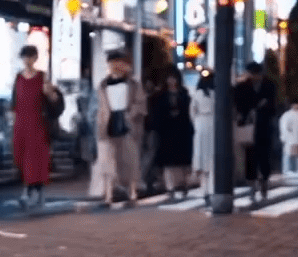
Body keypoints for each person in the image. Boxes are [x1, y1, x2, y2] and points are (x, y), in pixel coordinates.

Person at [91, 51, 145, 204]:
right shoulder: (103, 84)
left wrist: (132, 113)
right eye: (112, 63)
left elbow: (141, 104)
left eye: (119, 62)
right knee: (107, 160)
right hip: (108, 123)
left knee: (130, 159)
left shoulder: (133, 84)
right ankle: (108, 193)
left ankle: (132, 191)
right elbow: (99, 107)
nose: (116, 66)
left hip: (128, 122)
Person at [10, 45, 57, 208]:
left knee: (37, 159)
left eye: (30, 57)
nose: (27, 60)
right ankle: (32, 191)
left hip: (37, 123)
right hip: (21, 124)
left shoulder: (42, 77)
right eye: (24, 57)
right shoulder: (18, 78)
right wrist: (12, 120)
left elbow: (52, 100)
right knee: (21, 157)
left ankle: (32, 192)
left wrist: (50, 92)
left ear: (36, 58)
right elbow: (14, 101)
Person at [232, 62, 278, 200]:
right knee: (250, 156)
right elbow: (238, 104)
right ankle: (252, 183)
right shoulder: (241, 87)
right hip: (249, 126)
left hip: (264, 125)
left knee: (264, 155)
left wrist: (265, 106)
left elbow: (274, 105)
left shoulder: (269, 85)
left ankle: (263, 180)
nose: (252, 76)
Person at [147, 71, 195, 199]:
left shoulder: (184, 94)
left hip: (182, 130)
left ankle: (183, 184)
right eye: (169, 78)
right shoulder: (160, 96)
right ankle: (170, 187)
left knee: (183, 162)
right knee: (168, 162)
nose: (171, 81)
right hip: (166, 131)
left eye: (173, 78)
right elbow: (156, 114)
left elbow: (189, 111)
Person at [189, 71, 216, 192]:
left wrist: (196, 123)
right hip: (212, 122)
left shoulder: (197, 94)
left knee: (200, 150)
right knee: (211, 150)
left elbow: (192, 112)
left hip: (200, 122)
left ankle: (203, 183)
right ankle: (211, 181)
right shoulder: (215, 94)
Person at [278, 101, 298, 177]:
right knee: (288, 154)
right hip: (290, 138)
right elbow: (284, 127)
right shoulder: (287, 115)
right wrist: (285, 137)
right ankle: (287, 170)